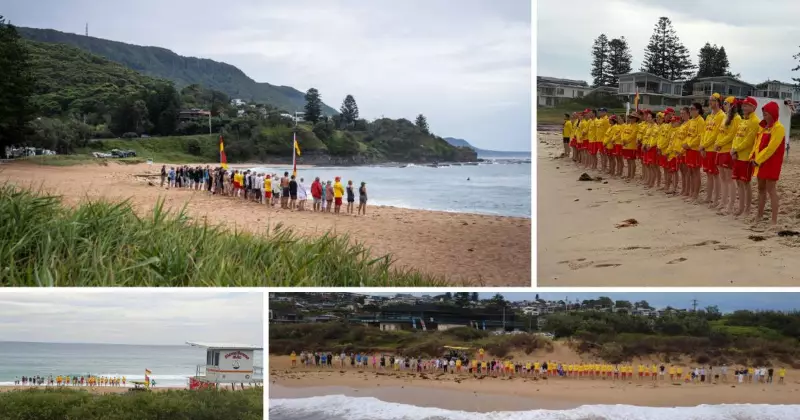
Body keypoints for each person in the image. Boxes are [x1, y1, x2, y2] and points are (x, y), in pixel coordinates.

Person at [751, 101, 786, 226]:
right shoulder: (764, 127)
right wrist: (753, 157)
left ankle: (774, 220)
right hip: (760, 161)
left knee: (771, 189)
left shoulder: (779, 128)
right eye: (763, 114)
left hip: (772, 162)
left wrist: (757, 160)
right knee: (760, 188)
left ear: (773, 114)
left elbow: (771, 148)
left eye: (766, 114)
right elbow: (757, 144)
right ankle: (759, 215)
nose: (764, 116)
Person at [716, 97, 741, 214]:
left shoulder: (737, 118)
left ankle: (730, 205)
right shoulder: (726, 117)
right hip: (720, 150)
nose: (723, 105)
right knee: (722, 178)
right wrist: (717, 143)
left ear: (731, 105)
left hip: (727, 150)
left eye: (725, 103)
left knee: (729, 179)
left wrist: (719, 143)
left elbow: (732, 135)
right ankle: (723, 201)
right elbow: (720, 133)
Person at [701, 93, 726, 207]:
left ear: (718, 102)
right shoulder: (709, 116)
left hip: (713, 149)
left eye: (712, 100)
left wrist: (704, 145)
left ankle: (716, 200)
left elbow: (716, 134)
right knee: (708, 174)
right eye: (709, 100)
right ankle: (708, 197)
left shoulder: (721, 116)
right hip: (706, 148)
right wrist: (702, 146)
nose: (710, 102)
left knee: (716, 175)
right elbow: (704, 132)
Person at [685, 103, 705, 202]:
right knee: (691, 172)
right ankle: (692, 192)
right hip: (689, 149)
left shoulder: (700, 120)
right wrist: (685, 144)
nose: (691, 111)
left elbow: (700, 136)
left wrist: (690, 144)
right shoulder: (691, 121)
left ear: (698, 110)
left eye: (692, 109)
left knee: (696, 172)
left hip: (695, 149)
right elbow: (688, 135)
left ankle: (695, 194)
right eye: (690, 109)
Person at [622, 111, 640, 180]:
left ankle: (632, 175)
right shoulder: (627, 125)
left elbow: (633, 135)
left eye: (632, 117)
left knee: (632, 161)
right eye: (630, 117)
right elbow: (623, 133)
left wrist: (626, 141)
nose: (631, 119)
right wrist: (623, 140)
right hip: (625, 146)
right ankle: (628, 174)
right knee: (628, 161)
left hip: (632, 146)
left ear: (636, 119)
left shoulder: (636, 126)